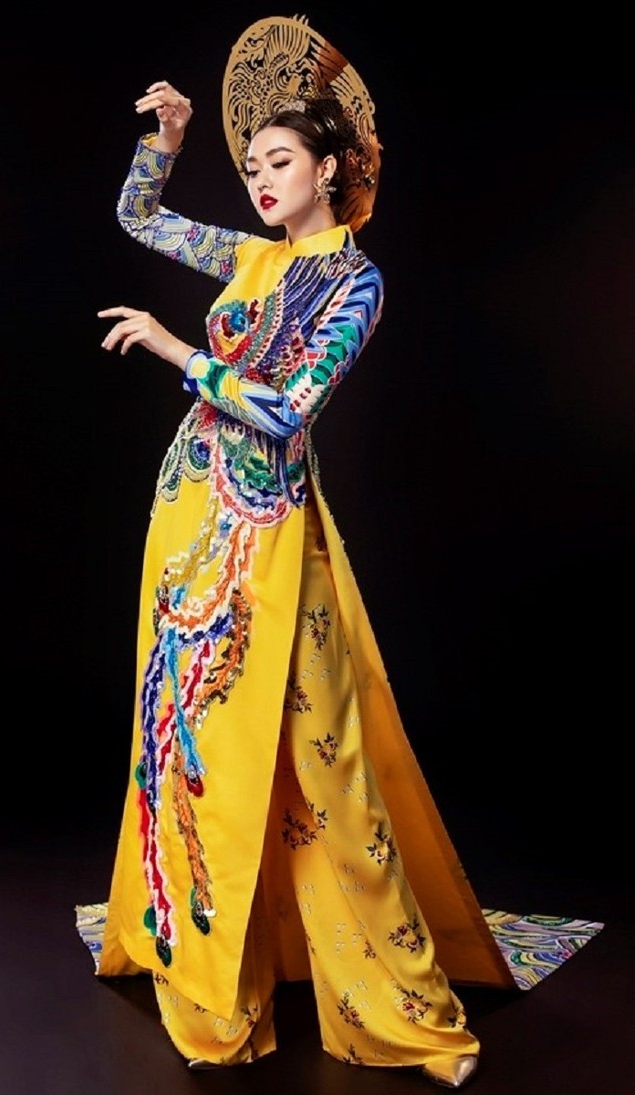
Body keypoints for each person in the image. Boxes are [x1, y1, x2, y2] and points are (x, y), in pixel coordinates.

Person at [94, 14, 512, 1088]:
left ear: (328, 169)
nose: (261, 181)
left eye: (279, 162)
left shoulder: (354, 284)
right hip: (191, 521)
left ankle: (375, 982)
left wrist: (176, 348)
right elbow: (137, 214)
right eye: (252, 166)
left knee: (322, 758)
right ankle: (206, 948)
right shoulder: (248, 256)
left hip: (275, 536)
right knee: (191, 737)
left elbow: (286, 411)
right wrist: (169, 139)